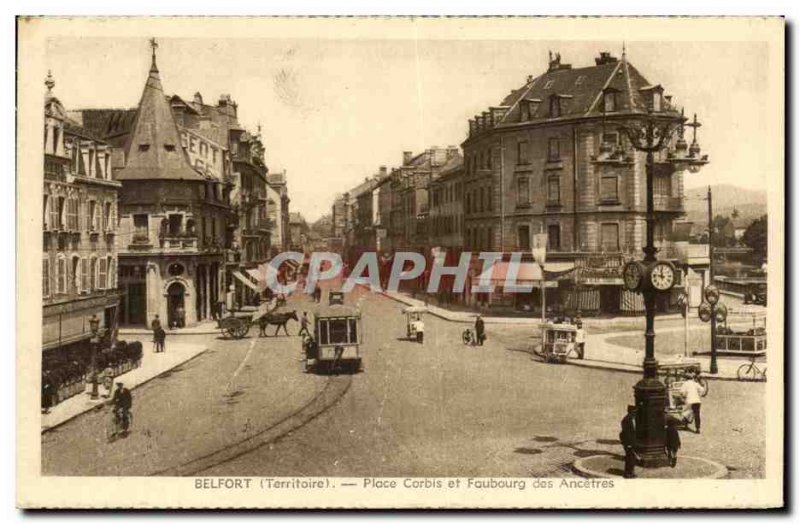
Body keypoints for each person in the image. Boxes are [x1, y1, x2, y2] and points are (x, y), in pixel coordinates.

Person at [620, 405, 638, 479]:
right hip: (628, 443)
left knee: (632, 458)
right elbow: (626, 433)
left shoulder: (631, 419)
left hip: (632, 442)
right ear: (631, 412)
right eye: (635, 412)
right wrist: (628, 444)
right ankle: (627, 473)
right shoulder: (626, 420)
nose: (636, 413)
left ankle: (630, 472)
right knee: (629, 458)